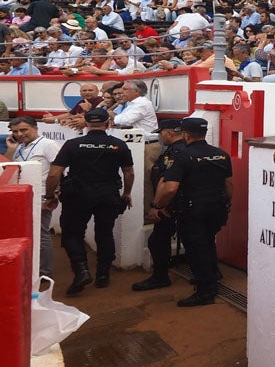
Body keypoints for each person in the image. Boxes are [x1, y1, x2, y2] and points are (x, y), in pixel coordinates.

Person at [46, 108, 135, 295]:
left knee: (72, 234)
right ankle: (103, 275)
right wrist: (126, 193)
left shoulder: (72, 144)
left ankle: (82, 271)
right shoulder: (118, 144)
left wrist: (49, 195)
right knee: (105, 233)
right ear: (108, 123)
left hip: (78, 196)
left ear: (86, 124)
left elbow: (55, 172)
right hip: (108, 195)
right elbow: (129, 172)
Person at [152, 118, 233, 307]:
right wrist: (228, 203)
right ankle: (213, 275)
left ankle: (205, 291)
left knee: (196, 249)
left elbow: (170, 188)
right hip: (216, 207)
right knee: (208, 242)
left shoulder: (182, 156)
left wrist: (157, 206)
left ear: (186, 134)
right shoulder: (221, 154)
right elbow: (229, 184)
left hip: (193, 209)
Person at [132, 120, 187, 291]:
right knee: (197, 240)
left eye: (160, 132)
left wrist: (158, 205)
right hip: (190, 204)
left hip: (171, 205)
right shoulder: (189, 149)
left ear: (169, 133)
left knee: (157, 241)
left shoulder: (173, 153)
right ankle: (210, 275)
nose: (159, 136)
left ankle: (160, 277)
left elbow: (168, 184)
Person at [5, 116, 61, 278]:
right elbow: (7, 167)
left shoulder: (48, 145)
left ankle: (44, 272)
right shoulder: (19, 146)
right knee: (27, 232)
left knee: (41, 233)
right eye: (15, 131)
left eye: (23, 130)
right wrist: (11, 148)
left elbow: (58, 170)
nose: (20, 134)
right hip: (22, 195)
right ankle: (34, 268)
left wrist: (54, 194)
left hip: (42, 195)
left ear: (35, 128)